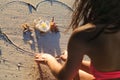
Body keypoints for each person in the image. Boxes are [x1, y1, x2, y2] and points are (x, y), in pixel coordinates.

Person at [35, 0, 120, 80]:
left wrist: (48, 59)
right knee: (77, 71)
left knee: (75, 73)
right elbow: (109, 70)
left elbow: (65, 76)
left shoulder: (85, 35)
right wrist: (79, 63)